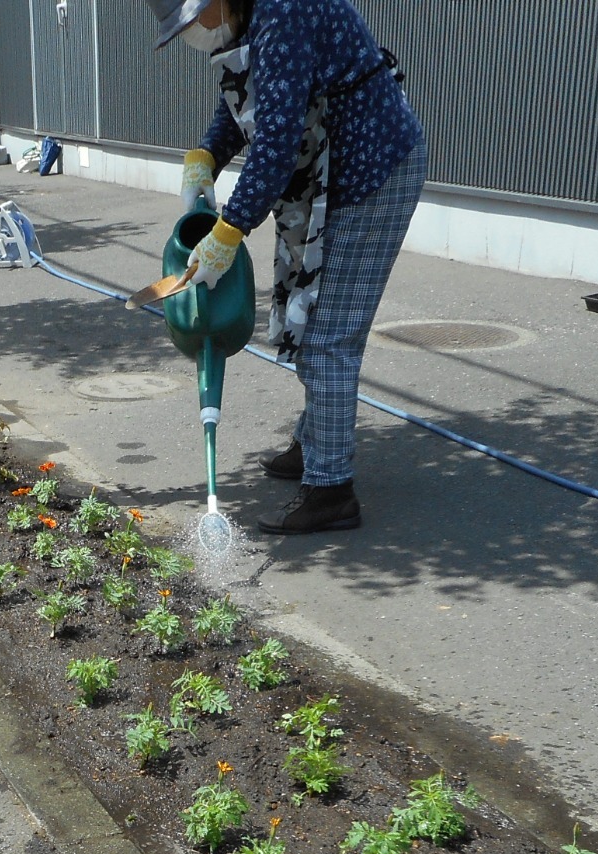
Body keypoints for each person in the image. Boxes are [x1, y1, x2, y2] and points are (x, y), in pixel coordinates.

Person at [153, 0, 426, 534]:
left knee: (329, 336)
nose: (194, 34)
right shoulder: (256, 15)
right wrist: (206, 154)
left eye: (192, 20)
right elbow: (248, 99)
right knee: (309, 311)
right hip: (331, 179)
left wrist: (228, 232)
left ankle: (331, 491)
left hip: (371, 176)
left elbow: (276, 141)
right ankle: (315, 441)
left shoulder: (284, 11)